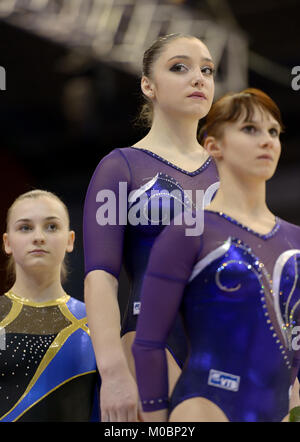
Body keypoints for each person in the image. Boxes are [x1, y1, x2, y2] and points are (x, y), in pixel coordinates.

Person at [132, 88, 300, 422]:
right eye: (250, 129)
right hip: (206, 409)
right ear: (213, 146)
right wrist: (155, 421)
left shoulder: (295, 239)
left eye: (273, 132)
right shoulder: (188, 232)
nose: (267, 140)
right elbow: (148, 341)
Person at [83, 32, 219, 422]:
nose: (199, 78)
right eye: (180, 67)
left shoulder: (231, 170)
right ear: (148, 85)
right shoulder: (121, 167)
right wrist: (112, 373)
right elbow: (100, 278)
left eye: (207, 70)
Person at [0, 190, 99, 422]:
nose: (39, 237)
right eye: (25, 227)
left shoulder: (95, 321)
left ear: (70, 240)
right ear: (7, 243)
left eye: (51, 227)